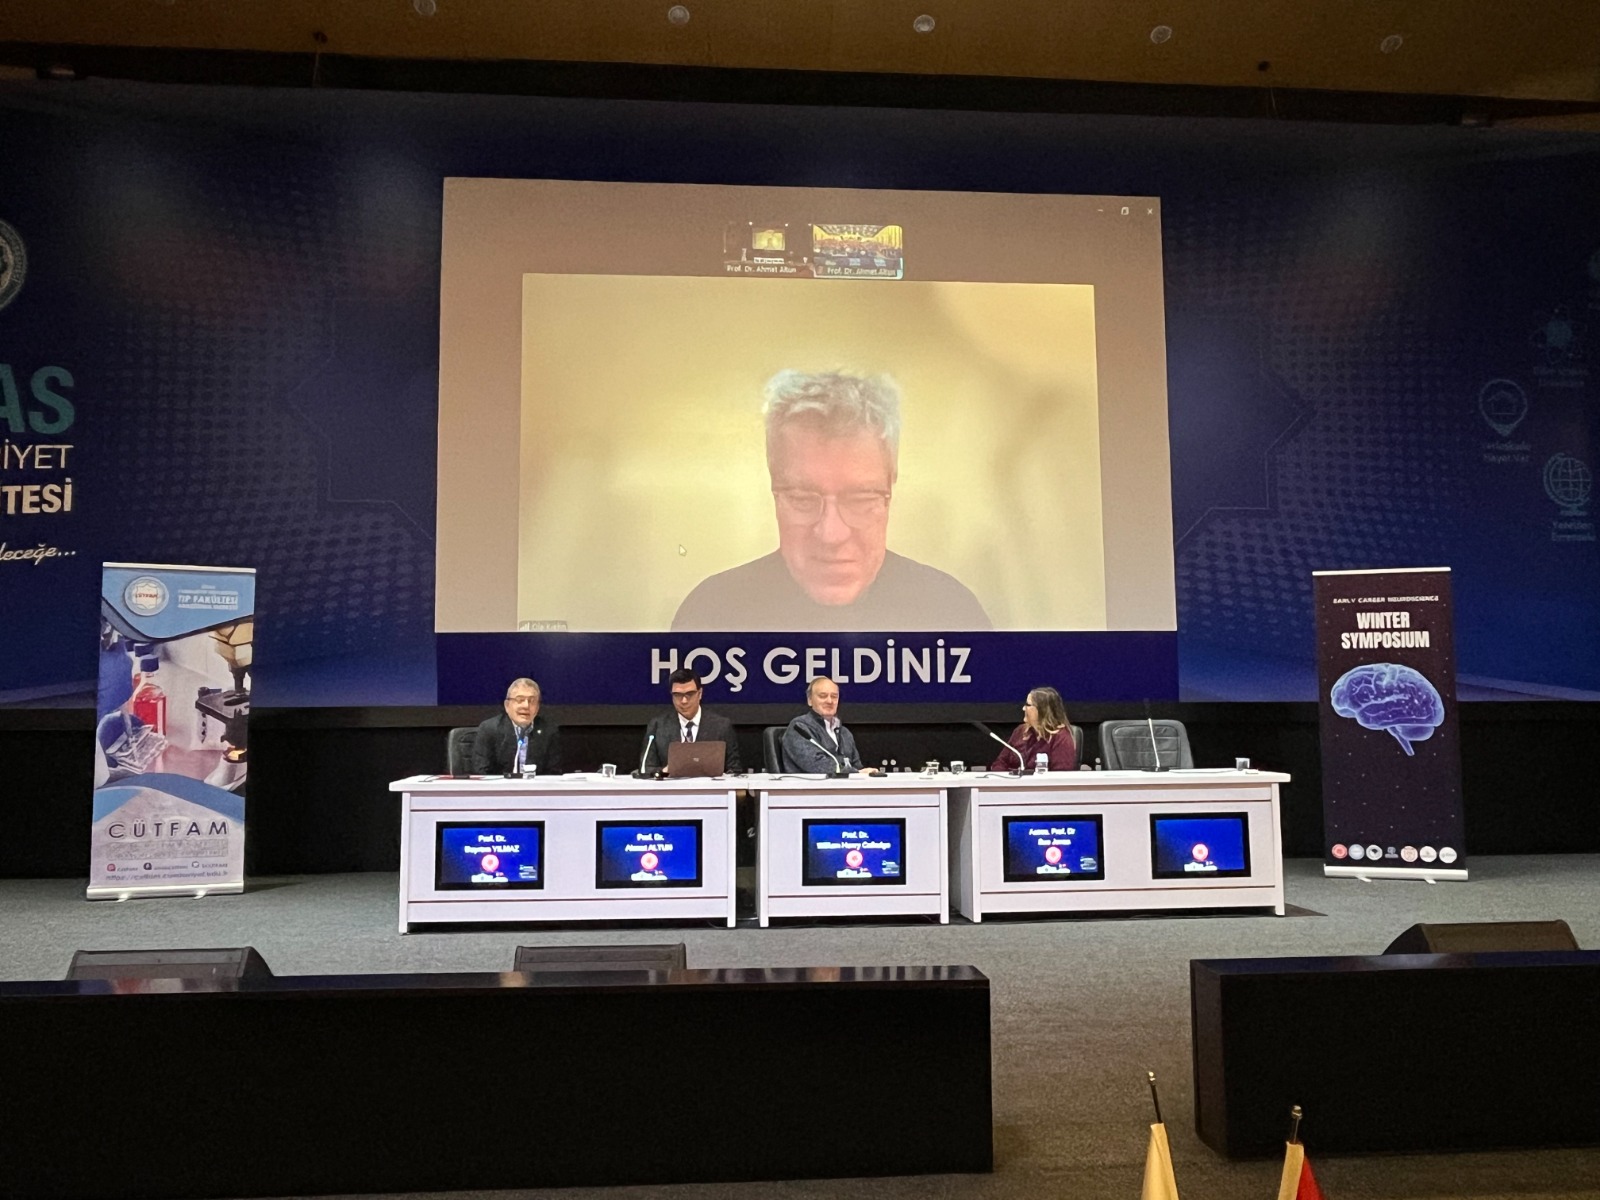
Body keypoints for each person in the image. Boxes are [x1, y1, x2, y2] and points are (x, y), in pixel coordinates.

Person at [671, 370, 992, 631]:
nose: (831, 534)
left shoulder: (951, 614)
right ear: (773, 487)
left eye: (860, 499)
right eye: (802, 499)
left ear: (890, 487)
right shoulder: (711, 616)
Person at [638, 668, 743, 775]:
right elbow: (644, 769)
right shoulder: (657, 726)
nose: (684, 701)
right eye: (678, 695)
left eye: (690, 694)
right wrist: (664, 771)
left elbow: (734, 770)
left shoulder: (721, 726)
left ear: (700, 693)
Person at [780, 677, 882, 774]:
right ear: (810, 700)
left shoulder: (845, 733)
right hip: (809, 786)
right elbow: (817, 765)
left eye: (834, 696)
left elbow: (857, 766)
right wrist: (855, 773)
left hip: (846, 785)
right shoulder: (799, 728)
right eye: (823, 696)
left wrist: (865, 774)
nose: (829, 701)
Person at [471, 678, 562, 775]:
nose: (526, 706)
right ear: (507, 705)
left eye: (532, 701)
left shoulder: (549, 731)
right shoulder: (489, 729)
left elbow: (553, 773)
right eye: (520, 700)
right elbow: (481, 772)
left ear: (538, 707)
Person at [990, 686, 1078, 772]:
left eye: (1028, 705)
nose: (1023, 708)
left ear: (1043, 710)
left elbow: (1060, 776)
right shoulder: (1020, 731)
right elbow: (1000, 763)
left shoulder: (1061, 738)